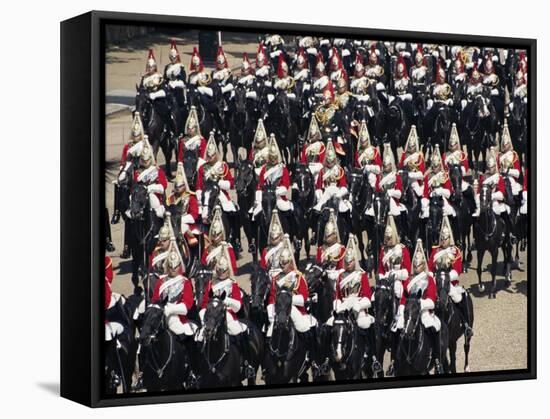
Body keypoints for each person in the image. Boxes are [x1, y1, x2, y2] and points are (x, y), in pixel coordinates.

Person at [266, 235, 324, 376]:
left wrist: (290, 299)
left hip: (296, 309)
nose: (283, 265)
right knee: (267, 331)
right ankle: (266, 363)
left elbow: (303, 298)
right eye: (281, 263)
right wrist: (271, 311)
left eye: (285, 263)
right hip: (279, 309)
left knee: (304, 328)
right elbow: (272, 297)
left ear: (291, 262)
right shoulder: (275, 278)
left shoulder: (299, 277)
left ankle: (313, 359)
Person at [197, 252, 256, 379]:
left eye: (223, 270)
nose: (221, 273)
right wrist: (204, 316)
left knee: (240, 330)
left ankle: (247, 364)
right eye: (219, 270)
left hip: (228, 314)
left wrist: (227, 302)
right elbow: (204, 304)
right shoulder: (210, 284)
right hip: (212, 315)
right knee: (199, 337)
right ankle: (196, 369)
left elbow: (239, 305)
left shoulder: (232, 284)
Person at [392, 238, 443, 374]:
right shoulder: (408, 279)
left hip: (423, 310)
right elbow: (403, 297)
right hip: (409, 310)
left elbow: (432, 298)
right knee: (397, 329)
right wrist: (402, 310)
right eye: (415, 264)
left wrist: (421, 304)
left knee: (433, 329)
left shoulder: (429, 279)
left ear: (423, 265)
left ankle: (437, 360)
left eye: (419, 264)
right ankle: (394, 361)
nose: (416, 267)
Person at [325, 234, 378, 364]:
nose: (349, 264)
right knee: (330, 325)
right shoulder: (340, 276)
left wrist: (359, 306)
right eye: (347, 262)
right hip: (344, 308)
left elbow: (367, 296)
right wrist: (338, 306)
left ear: (355, 260)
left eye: (351, 261)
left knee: (365, 325)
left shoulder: (362, 275)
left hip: (358, 307)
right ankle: (327, 358)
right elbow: (337, 295)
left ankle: (371, 356)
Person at [428, 216, 473, 337]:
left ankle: (466, 324)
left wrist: (446, 277)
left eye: (445, 238)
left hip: (450, 283)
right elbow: (430, 267)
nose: (443, 240)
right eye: (441, 238)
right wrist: (433, 277)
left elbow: (457, 270)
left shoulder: (455, 251)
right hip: (437, 282)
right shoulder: (435, 251)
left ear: (450, 237)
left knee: (459, 298)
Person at [151, 244, 197, 343]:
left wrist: (170, 309)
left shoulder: (185, 282)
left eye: (175, 266)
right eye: (171, 266)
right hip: (160, 316)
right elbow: (155, 299)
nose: (173, 269)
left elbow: (187, 305)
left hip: (179, 318)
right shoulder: (161, 281)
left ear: (179, 266)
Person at [252, 134, 292, 219]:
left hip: (278, 197)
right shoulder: (264, 169)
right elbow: (260, 184)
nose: (273, 159)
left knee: (288, 211)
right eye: (271, 157)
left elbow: (286, 185)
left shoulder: (282, 168)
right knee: (254, 213)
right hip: (266, 196)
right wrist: (259, 198)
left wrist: (276, 191)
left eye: (275, 157)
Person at [196, 132, 236, 214]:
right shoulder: (202, 168)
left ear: (216, 154)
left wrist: (220, 183)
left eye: (212, 155)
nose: (210, 157)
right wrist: (200, 197)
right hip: (206, 195)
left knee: (232, 213)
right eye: (208, 155)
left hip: (220, 195)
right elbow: (199, 186)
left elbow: (231, 183)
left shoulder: (223, 166)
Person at [132, 137, 168, 219]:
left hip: (154, 196)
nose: (146, 162)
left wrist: (151, 188)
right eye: (144, 161)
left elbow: (164, 186)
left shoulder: (158, 171)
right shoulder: (137, 172)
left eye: (147, 160)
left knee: (153, 200)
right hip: (140, 196)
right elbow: (134, 186)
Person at [378, 215, 411, 302]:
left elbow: (408, 270)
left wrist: (396, 275)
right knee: (376, 297)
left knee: (398, 292)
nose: (387, 240)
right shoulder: (383, 250)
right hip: (386, 279)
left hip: (399, 280)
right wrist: (382, 278)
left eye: (389, 238)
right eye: (386, 238)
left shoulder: (402, 249)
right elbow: (381, 269)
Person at [166, 162, 200, 246]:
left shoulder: (191, 197)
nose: (178, 189)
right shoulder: (170, 198)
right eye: (176, 187)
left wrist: (180, 219)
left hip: (186, 223)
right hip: (171, 222)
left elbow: (194, 215)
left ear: (184, 185)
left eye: (180, 186)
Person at [313, 140, 350, 214]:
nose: (330, 164)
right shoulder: (322, 170)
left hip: (337, 195)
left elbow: (344, 186)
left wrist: (339, 194)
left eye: (332, 161)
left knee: (345, 211)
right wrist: (319, 195)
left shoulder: (339, 170)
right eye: (328, 161)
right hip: (325, 195)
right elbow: (318, 186)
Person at [421, 144, 456, 220]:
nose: (435, 168)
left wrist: (440, 191)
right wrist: (425, 202)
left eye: (437, 166)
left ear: (440, 164)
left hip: (442, 199)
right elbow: (425, 191)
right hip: (431, 199)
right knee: (424, 215)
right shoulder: (428, 176)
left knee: (451, 212)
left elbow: (449, 192)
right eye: (434, 166)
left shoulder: (444, 175)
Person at [200, 205, 238, 273]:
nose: (215, 237)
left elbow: (234, 269)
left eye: (217, 234)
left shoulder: (228, 248)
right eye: (213, 234)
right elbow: (203, 265)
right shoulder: (208, 249)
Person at [316, 209, 345, 282]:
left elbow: (342, 268)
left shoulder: (341, 249)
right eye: (326, 235)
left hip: (335, 278)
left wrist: (333, 274)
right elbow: (318, 264)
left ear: (335, 235)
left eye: (329, 236)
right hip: (322, 277)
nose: (326, 237)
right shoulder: (321, 249)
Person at [354, 119, 381, 190]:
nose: (363, 143)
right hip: (361, 173)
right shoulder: (358, 152)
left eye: (365, 142)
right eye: (362, 142)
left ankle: (373, 192)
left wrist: (369, 167)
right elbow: (357, 166)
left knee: (371, 178)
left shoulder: (373, 150)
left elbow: (379, 167)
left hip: (371, 173)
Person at [260, 209, 285, 279]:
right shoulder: (266, 250)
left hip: (282, 275)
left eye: (276, 238)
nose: (274, 240)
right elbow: (263, 267)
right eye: (272, 238)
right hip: (269, 275)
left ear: (280, 236)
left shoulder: (284, 248)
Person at [299, 115, 326, 181]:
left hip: (317, 166)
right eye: (312, 135)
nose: (313, 137)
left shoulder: (321, 145)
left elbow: (322, 159)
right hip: (308, 166)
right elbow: (303, 159)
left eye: (314, 135)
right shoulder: (306, 146)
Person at [163, 39, 186, 107]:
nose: (173, 59)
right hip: (169, 88)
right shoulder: (167, 67)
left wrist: (175, 84)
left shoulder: (181, 66)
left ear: (177, 57)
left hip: (177, 88)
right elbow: (165, 78)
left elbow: (183, 80)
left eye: (174, 58)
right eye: (171, 58)